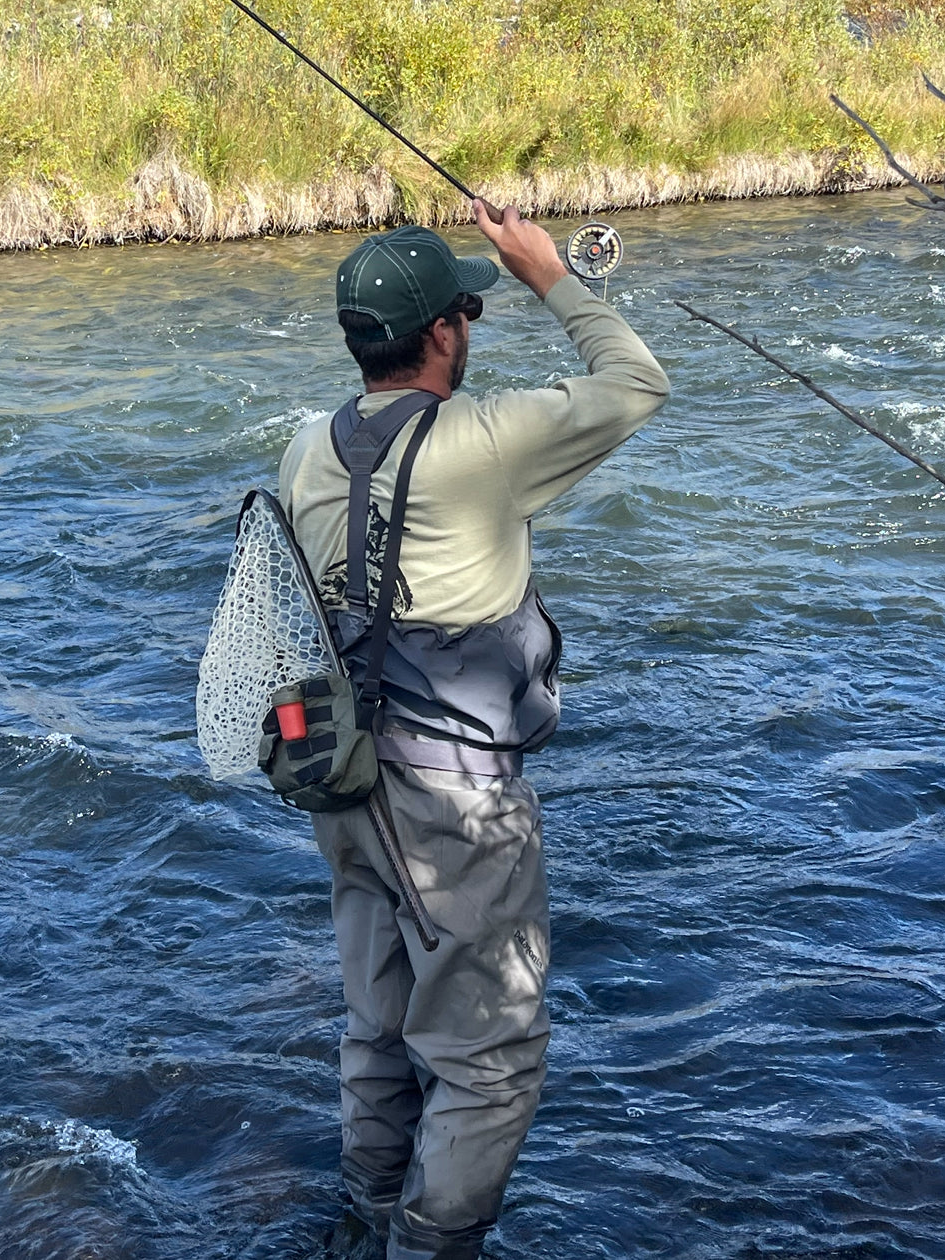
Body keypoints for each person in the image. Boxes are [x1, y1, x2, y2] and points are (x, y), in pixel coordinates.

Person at [278, 201, 670, 1260]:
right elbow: (638, 381)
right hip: (455, 803)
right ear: (445, 332)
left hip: (344, 783)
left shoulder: (307, 447)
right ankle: (432, 1245)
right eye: (467, 311)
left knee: (380, 1021)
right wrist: (548, 272)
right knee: (490, 1059)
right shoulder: (485, 443)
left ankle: (363, 1219)